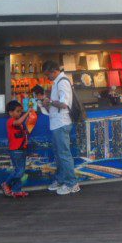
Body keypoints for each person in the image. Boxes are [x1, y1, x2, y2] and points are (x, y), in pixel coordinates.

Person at [41, 60, 81, 196]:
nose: (48, 78)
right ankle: (62, 180)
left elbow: (64, 104)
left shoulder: (62, 82)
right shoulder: (57, 82)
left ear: (54, 71)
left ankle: (72, 184)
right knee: (59, 154)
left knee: (63, 154)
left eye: (48, 75)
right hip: (57, 123)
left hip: (61, 123)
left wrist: (50, 102)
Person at [1, 100, 30, 198]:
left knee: (20, 170)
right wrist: (27, 113)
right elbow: (19, 121)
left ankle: (16, 190)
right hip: (15, 150)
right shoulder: (10, 121)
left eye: (20, 111)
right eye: (17, 111)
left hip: (22, 149)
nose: (20, 113)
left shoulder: (20, 123)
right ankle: (6, 183)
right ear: (10, 112)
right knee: (19, 171)